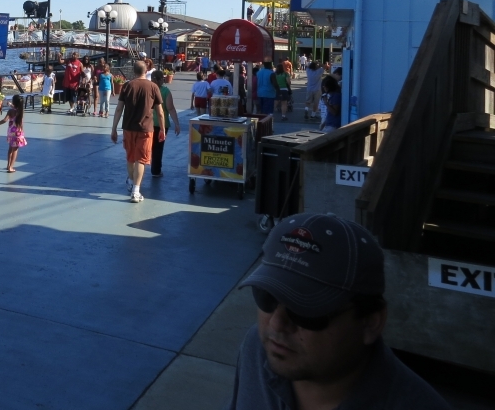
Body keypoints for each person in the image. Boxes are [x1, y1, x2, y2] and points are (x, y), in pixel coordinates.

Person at [227, 212, 450, 410]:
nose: (276, 324)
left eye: (306, 311)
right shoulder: (258, 351)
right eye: (267, 297)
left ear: (371, 322)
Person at [111, 61, 164, 203]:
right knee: (141, 159)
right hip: (146, 129)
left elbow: (118, 109)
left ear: (133, 71)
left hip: (128, 127)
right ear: (146, 70)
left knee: (130, 157)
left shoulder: (127, 86)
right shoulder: (153, 87)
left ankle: (131, 181)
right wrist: (163, 129)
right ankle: (136, 190)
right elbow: (160, 112)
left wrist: (114, 128)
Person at [151, 69, 180, 180]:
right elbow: (170, 108)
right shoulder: (165, 91)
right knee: (158, 149)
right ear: (161, 79)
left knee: (147, 147)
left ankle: (139, 170)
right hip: (161, 124)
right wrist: (177, 123)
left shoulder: (148, 89)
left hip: (148, 123)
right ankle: (156, 170)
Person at [0, 94, 27, 172]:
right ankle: (11, 167)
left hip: (11, 132)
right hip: (18, 133)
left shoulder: (10, 111)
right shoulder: (21, 111)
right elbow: (15, 108)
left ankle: (8, 165)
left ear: (13, 102)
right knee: (15, 150)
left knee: (10, 149)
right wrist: (11, 105)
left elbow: (5, 120)